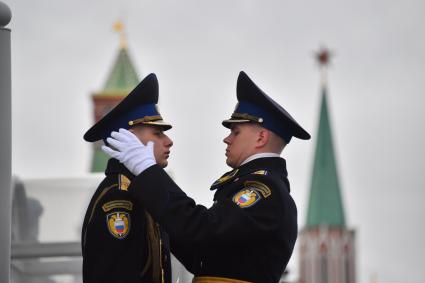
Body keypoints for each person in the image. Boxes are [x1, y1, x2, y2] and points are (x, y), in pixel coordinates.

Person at [102, 71, 311, 283]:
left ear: (261, 137)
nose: (227, 139)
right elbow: (200, 255)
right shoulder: (254, 183)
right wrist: (155, 204)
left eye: (236, 132)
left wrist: (147, 171)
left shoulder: (263, 189)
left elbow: (202, 230)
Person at [81, 73, 173, 283]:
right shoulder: (120, 198)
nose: (169, 141)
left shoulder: (140, 190)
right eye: (158, 134)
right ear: (127, 139)